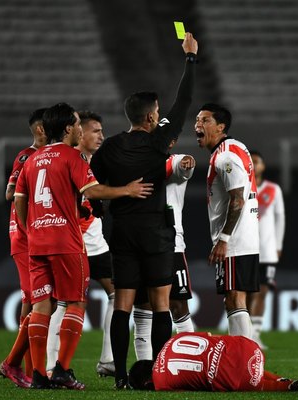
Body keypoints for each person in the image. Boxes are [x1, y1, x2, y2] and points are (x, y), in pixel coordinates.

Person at [14, 102, 153, 390]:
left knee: (41, 306)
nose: (81, 129)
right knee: (75, 302)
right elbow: (94, 191)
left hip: (38, 243)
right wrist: (127, 190)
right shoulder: (72, 157)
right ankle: (63, 369)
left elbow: (18, 199)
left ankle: (39, 373)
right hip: (66, 241)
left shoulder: (34, 159)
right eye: (78, 124)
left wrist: (31, 229)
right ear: (67, 129)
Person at [90, 33, 198, 389]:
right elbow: (183, 103)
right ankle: (158, 374)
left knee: (123, 305)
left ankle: (121, 376)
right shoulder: (158, 142)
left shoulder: (108, 148)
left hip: (121, 232)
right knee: (161, 304)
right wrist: (190, 59)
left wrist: (114, 198)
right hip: (155, 233)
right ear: (152, 117)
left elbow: (93, 190)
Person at [45, 110, 117, 378]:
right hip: (74, 242)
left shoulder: (93, 161)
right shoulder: (69, 160)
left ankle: (108, 359)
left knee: (118, 292)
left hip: (95, 242)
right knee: (64, 302)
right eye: (95, 130)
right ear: (79, 133)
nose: (101, 135)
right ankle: (52, 365)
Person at [194, 103, 259, 339]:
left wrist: (223, 239)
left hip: (235, 239)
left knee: (233, 297)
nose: (198, 125)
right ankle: (247, 358)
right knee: (235, 297)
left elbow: (237, 200)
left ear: (221, 127)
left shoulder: (225, 156)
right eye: (197, 120)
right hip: (246, 236)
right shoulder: (235, 147)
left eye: (205, 120)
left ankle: (245, 359)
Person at [133, 139, 196, 361]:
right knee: (142, 309)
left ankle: (190, 362)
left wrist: (188, 161)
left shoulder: (174, 163)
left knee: (178, 306)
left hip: (172, 246)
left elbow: (183, 165)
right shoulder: (133, 164)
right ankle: (144, 368)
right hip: (138, 245)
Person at [0, 107, 47, 388]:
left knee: (34, 300)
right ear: (40, 129)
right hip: (25, 238)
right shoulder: (27, 156)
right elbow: (10, 192)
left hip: (35, 238)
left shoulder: (45, 156)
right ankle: (16, 365)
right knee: (36, 299)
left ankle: (27, 369)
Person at [128, 332, 298, 392]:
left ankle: (288, 387)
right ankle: (283, 379)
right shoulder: (173, 340)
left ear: (147, 383)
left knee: (246, 380)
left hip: (239, 379)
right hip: (250, 347)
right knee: (231, 358)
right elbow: (212, 337)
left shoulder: (161, 384)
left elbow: (192, 388)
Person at [246, 150, 285, 349]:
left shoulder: (273, 189)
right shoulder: (242, 187)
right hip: (245, 248)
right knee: (243, 293)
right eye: (250, 162)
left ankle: (256, 334)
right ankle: (244, 334)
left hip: (267, 250)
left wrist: (277, 246)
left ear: (263, 166)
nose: (254, 165)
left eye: (257, 162)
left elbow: (280, 218)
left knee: (262, 292)